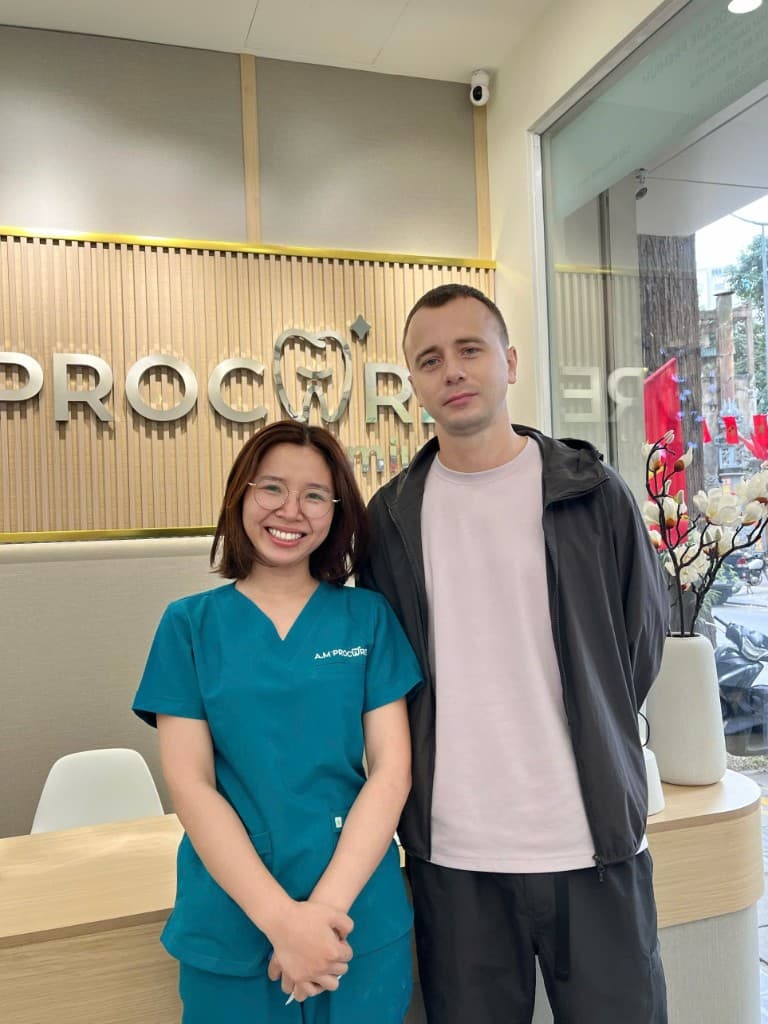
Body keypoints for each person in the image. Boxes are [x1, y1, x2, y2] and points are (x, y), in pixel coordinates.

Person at [359, 284, 669, 1024]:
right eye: (430, 360)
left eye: (470, 349)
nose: (453, 371)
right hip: (454, 854)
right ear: (415, 385)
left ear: (510, 360)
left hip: (590, 839)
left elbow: (638, 643)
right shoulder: (391, 517)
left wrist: (598, 732)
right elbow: (385, 679)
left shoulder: (594, 492)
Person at [133, 420, 422, 1024]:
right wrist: (283, 922)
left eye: (315, 494)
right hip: (233, 922)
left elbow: (391, 772)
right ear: (241, 493)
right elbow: (191, 786)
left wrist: (322, 915)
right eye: (271, 489)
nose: (291, 510)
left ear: (335, 511)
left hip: (355, 926)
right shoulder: (188, 626)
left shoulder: (367, 619)